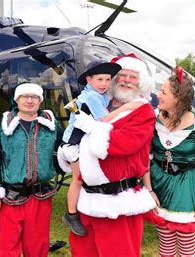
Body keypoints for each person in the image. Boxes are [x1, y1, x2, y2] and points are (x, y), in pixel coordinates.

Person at [63, 54, 157, 257]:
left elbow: (122, 145)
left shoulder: (142, 111)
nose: (126, 80)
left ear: (141, 83)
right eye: (122, 74)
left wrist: (90, 127)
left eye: (133, 77)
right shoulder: (98, 102)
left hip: (118, 204)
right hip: (87, 200)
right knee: (82, 253)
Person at [145, 66, 195, 257]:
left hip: (186, 186)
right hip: (158, 182)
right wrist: (149, 190)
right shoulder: (152, 119)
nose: (158, 96)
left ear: (178, 98)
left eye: (163, 92)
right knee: (165, 241)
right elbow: (146, 158)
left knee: (186, 244)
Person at [0, 82, 62, 257]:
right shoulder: (4, 125)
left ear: (40, 101)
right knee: (6, 246)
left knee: (37, 246)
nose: (29, 100)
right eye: (25, 96)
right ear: (17, 99)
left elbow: (63, 150)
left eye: (34, 97)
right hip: (11, 196)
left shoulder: (50, 123)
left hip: (41, 196)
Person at [58, 60, 122, 237]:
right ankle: (71, 215)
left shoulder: (96, 94)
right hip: (73, 145)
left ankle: (86, 209)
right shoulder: (92, 97)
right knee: (78, 179)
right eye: (100, 79)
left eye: (108, 80)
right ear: (89, 80)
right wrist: (129, 108)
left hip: (79, 143)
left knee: (86, 177)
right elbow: (105, 119)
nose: (104, 84)